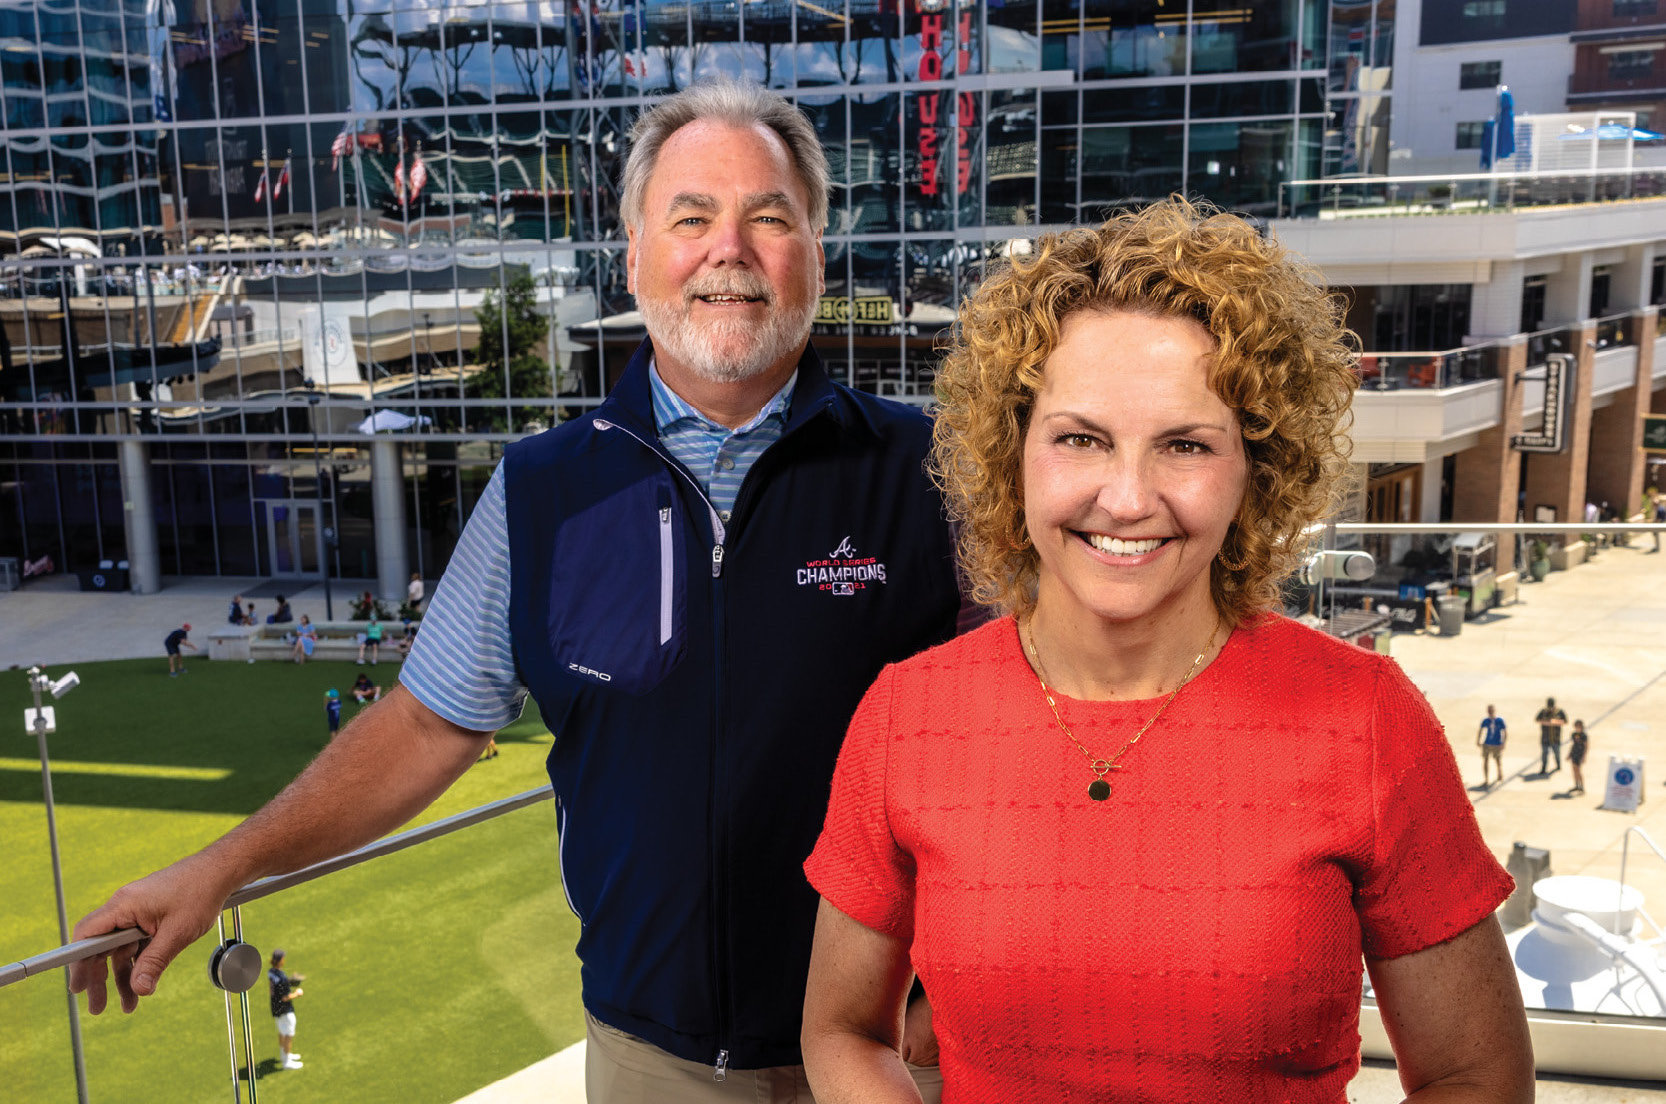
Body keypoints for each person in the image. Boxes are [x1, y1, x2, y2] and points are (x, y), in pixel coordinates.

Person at [69, 80, 962, 1104]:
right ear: (634, 256)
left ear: (814, 250)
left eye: (771, 219)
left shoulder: (929, 470)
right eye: (691, 218)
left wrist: (964, 986)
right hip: (652, 1065)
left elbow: (1048, 720)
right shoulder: (544, 489)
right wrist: (221, 866)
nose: (731, 249)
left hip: (891, 1045)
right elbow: (423, 725)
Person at [800, 200, 1533, 1102]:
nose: (1128, 496)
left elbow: (1477, 1075)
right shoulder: (907, 716)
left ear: (1254, 472)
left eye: (1185, 445)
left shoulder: (1366, 720)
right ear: (1012, 452)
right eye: (1080, 439)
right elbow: (840, 1031)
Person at [267, 948, 305, 1071]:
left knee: (282, 1032)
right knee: (288, 1035)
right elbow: (285, 997)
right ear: (280, 960)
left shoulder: (271, 972)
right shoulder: (281, 978)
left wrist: (288, 982)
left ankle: (284, 1055)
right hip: (285, 1010)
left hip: (275, 1008)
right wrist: (297, 993)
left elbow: (277, 987)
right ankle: (287, 1061)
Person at [1477, 703, 1508, 788]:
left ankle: (1499, 773)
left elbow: (1505, 732)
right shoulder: (1485, 721)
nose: (1490, 712)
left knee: (1497, 760)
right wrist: (1478, 740)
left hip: (1496, 744)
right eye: (1489, 711)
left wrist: (1503, 743)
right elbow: (1480, 730)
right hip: (1487, 743)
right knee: (1485, 761)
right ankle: (1486, 779)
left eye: (1491, 711)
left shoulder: (1500, 720)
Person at [1536, 695, 1568, 774]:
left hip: (1555, 738)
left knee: (1557, 753)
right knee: (1544, 754)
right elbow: (1537, 719)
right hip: (1545, 738)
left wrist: (1554, 722)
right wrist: (1547, 723)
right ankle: (1544, 768)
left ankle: (1558, 765)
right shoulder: (1543, 711)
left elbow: (1565, 721)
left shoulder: (1559, 712)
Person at [1569, 719, 1590, 795]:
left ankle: (1582, 786)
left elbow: (1586, 746)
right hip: (1574, 753)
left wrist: (1584, 757)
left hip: (1580, 754)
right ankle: (1576, 785)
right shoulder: (1574, 734)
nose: (1577, 728)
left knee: (1578, 771)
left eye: (1579, 726)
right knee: (1574, 770)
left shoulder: (1584, 735)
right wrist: (1569, 754)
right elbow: (1573, 745)